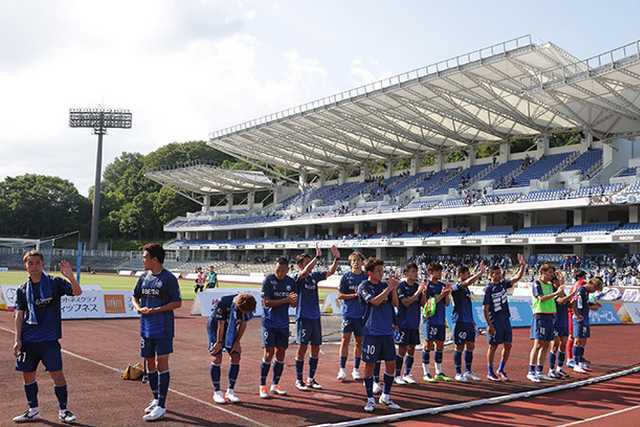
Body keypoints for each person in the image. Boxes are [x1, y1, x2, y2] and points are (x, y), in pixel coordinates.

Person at [12, 250, 82, 424]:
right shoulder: (22, 289)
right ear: (25, 266)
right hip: (28, 341)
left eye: (37, 263)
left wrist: (71, 277)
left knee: (57, 375)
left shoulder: (55, 282)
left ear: (43, 264)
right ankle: (33, 410)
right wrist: (17, 339)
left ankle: (64, 410)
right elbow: (19, 314)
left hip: (49, 340)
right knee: (27, 376)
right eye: (30, 263)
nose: (34, 266)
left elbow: (77, 292)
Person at [131, 243, 182, 422]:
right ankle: (155, 398)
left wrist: (156, 310)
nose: (143, 260)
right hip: (145, 327)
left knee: (162, 363)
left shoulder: (168, 279)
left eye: (145, 257)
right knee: (148, 363)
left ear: (155, 259)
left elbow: (177, 303)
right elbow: (134, 295)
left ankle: (161, 405)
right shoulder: (144, 276)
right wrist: (138, 307)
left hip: (163, 328)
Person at [293, 244, 340, 391]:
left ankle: (311, 378)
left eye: (310, 261)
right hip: (303, 317)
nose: (310, 264)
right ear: (300, 265)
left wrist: (337, 258)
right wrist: (317, 257)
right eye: (306, 262)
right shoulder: (298, 277)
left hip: (315, 318)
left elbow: (330, 272)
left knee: (315, 348)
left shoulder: (314, 277)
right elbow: (305, 272)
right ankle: (299, 379)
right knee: (302, 348)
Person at [358, 257, 401, 413]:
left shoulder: (385, 285)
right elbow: (375, 302)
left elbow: (396, 304)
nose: (382, 273)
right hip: (371, 332)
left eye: (382, 270)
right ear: (370, 272)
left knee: (391, 364)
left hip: (386, 332)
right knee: (369, 365)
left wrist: (394, 289)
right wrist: (389, 289)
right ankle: (370, 399)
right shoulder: (364, 286)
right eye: (378, 271)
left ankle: (386, 396)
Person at [483, 254, 526, 382]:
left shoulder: (503, 284)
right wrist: (489, 325)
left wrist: (522, 265)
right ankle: (490, 371)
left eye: (499, 273)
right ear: (490, 275)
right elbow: (485, 309)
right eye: (495, 273)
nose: (498, 275)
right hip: (495, 320)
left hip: (505, 319)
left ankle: (501, 369)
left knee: (508, 345)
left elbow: (517, 278)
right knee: (493, 346)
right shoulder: (489, 289)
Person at [259, 257, 298, 399]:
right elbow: (267, 303)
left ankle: (275, 385)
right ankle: (262, 385)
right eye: (277, 270)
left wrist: (293, 301)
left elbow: (293, 304)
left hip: (283, 323)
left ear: (288, 270)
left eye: (282, 270)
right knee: (269, 353)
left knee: (281, 353)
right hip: (269, 322)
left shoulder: (290, 282)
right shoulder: (268, 280)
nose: (279, 273)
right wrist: (286, 300)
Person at [207, 293, 257, 404]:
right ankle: (217, 392)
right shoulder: (224, 301)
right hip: (215, 327)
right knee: (217, 357)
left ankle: (230, 391)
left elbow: (243, 324)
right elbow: (221, 323)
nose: (244, 313)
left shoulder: (249, 304)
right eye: (242, 311)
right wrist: (219, 342)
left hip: (232, 326)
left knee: (236, 356)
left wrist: (237, 342)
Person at [527, 263, 564, 383]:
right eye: (549, 272)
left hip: (550, 316)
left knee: (547, 344)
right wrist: (556, 293)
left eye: (552, 273)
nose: (551, 275)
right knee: (538, 344)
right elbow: (541, 298)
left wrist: (561, 284)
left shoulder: (550, 285)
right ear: (542, 272)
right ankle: (531, 371)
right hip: (540, 315)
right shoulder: (537, 283)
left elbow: (560, 297)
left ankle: (539, 371)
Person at [451, 263, 486, 382]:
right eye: (466, 273)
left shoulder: (466, 289)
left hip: (469, 321)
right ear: (460, 274)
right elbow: (467, 282)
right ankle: (458, 372)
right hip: (459, 321)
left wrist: (473, 322)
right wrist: (480, 273)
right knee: (459, 346)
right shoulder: (456, 286)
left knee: (471, 345)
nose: (468, 275)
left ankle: (468, 371)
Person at [337, 251, 368, 382]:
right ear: (350, 263)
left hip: (361, 315)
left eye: (358, 260)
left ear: (362, 262)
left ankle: (356, 369)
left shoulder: (366, 277)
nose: (355, 263)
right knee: (345, 340)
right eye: (353, 261)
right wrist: (354, 296)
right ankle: (342, 369)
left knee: (359, 342)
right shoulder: (345, 277)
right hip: (348, 314)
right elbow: (340, 295)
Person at [394, 262, 426, 385]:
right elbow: (405, 302)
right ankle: (397, 375)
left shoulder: (418, 286)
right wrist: (418, 292)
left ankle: (407, 373)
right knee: (402, 349)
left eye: (416, 271)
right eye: (412, 271)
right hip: (403, 322)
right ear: (406, 273)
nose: (415, 274)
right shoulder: (401, 286)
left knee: (412, 349)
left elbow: (423, 304)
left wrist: (423, 292)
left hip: (414, 323)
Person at [421, 263, 452, 382]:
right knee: (428, 345)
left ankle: (439, 371)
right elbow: (428, 303)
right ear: (430, 272)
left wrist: (447, 294)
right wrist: (442, 294)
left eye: (440, 271)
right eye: (437, 271)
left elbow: (447, 303)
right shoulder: (427, 286)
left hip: (440, 320)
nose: (439, 273)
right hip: (430, 320)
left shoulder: (442, 285)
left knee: (440, 345)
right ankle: (426, 372)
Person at [571, 277, 603, 374]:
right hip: (579, 319)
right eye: (595, 289)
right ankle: (575, 363)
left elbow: (585, 304)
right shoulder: (581, 290)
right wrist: (577, 315)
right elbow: (574, 303)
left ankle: (580, 361)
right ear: (592, 284)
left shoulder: (586, 293)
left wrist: (593, 305)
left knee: (583, 340)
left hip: (585, 318)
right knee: (578, 340)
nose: (594, 291)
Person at [548, 271, 574, 379]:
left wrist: (574, 299)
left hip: (564, 321)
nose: (560, 282)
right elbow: (561, 301)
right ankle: (551, 370)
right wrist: (573, 294)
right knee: (554, 345)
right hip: (555, 321)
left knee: (563, 344)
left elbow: (568, 304)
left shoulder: (562, 292)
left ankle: (559, 368)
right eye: (558, 280)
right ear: (554, 282)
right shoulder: (553, 292)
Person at [566, 270, 587, 369]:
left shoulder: (578, 285)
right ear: (579, 277)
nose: (585, 279)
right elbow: (573, 301)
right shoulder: (579, 285)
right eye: (583, 277)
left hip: (576, 312)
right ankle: (570, 359)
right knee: (572, 336)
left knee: (579, 337)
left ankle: (578, 357)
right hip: (573, 313)